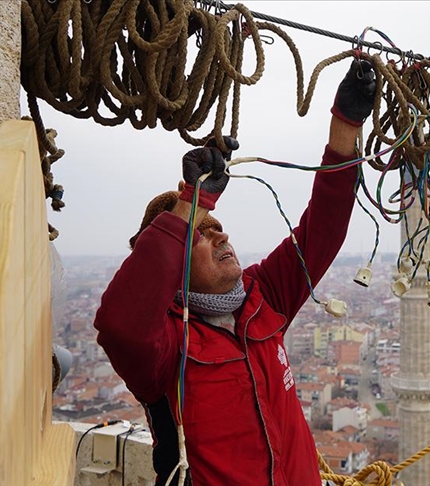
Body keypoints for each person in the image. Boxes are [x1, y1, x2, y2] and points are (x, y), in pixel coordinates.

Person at [93, 59, 376, 486]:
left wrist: (347, 124)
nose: (222, 237)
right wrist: (192, 202)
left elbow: (324, 228)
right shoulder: (164, 347)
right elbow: (120, 324)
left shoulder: (264, 296)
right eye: (202, 236)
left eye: (219, 229)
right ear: (172, 264)